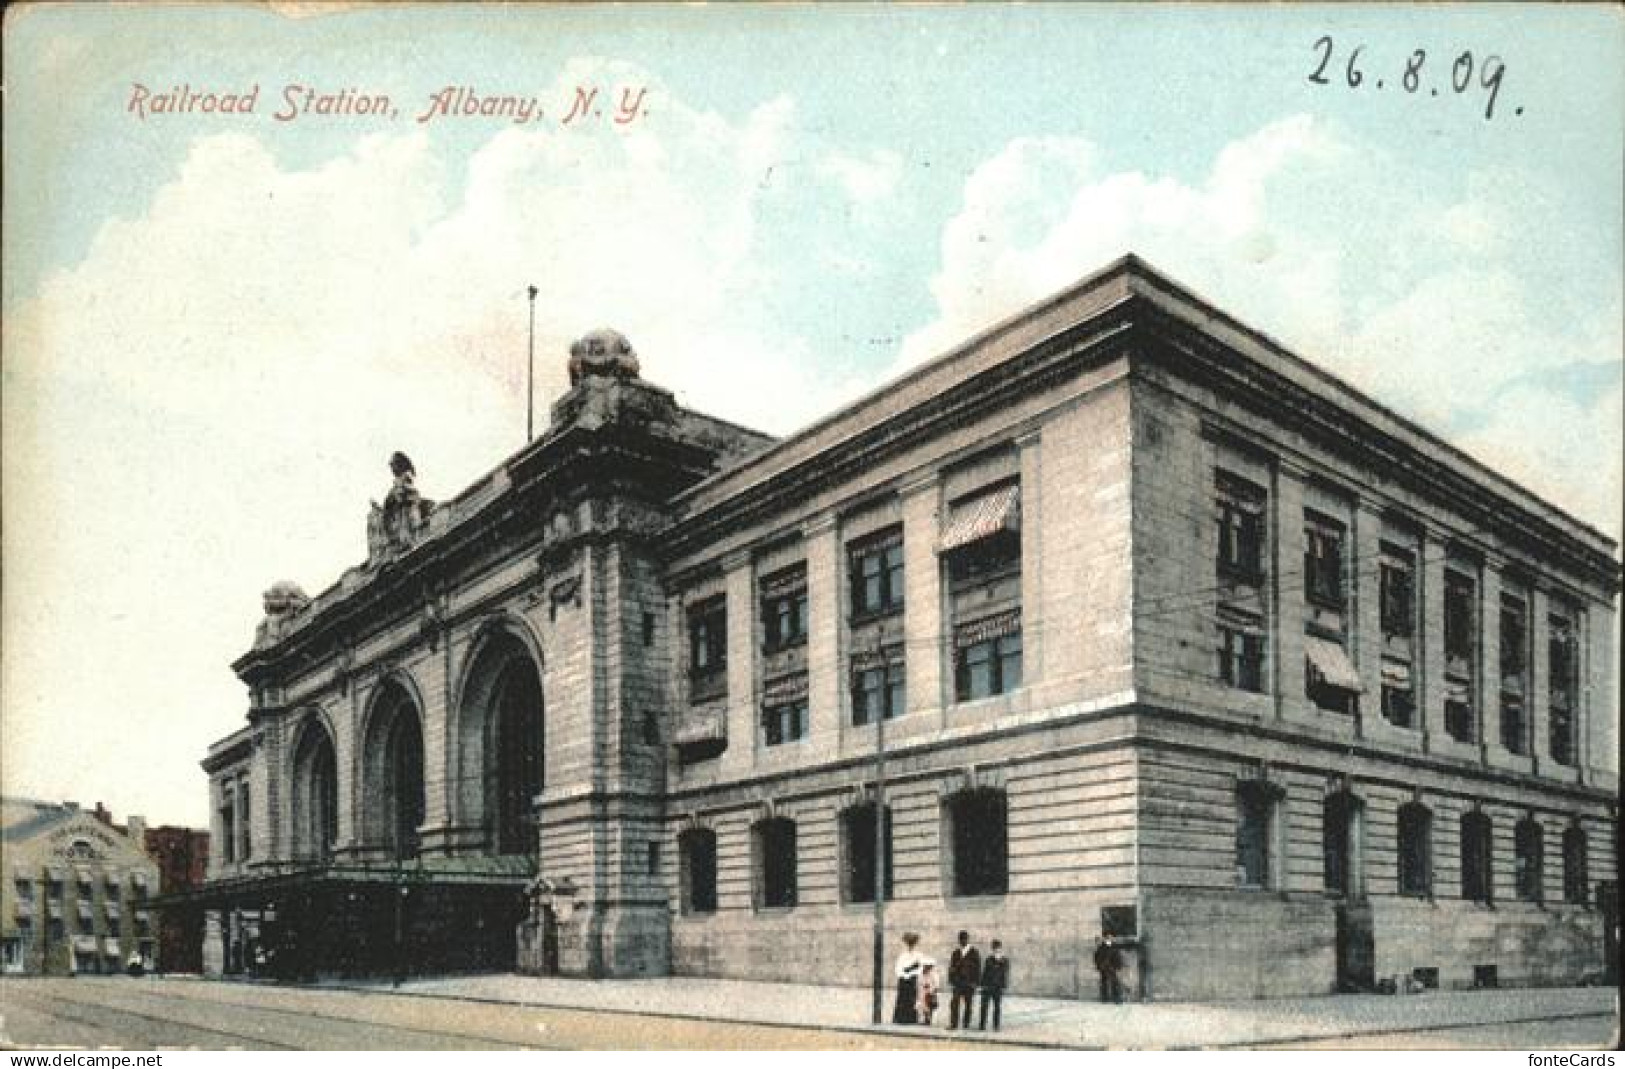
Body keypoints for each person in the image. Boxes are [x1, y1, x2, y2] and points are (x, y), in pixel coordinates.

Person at [947, 929, 981, 1029]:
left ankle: (966, 1024)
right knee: (954, 1003)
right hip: (958, 982)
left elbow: (977, 968)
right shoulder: (956, 953)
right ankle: (953, 1024)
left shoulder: (974, 952)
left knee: (968, 1004)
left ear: (967, 940)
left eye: (964, 940)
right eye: (960, 940)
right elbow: (951, 967)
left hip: (969, 982)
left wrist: (976, 982)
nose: (962, 942)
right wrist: (951, 979)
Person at [892, 932, 925, 1024]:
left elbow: (920, 968)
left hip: (912, 979)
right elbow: (898, 968)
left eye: (912, 943)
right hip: (903, 980)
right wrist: (904, 974)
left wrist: (911, 972)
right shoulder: (902, 955)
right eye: (909, 943)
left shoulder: (918, 955)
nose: (910, 945)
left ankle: (911, 1019)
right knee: (902, 999)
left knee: (912, 998)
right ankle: (901, 1019)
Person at [978, 939, 1009, 1031]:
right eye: (994, 948)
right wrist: (982, 985)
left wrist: (1003, 986)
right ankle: (982, 1025)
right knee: (984, 1006)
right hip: (987, 986)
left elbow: (1004, 973)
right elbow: (985, 972)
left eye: (997, 948)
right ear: (992, 948)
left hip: (997, 987)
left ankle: (996, 1026)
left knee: (997, 1007)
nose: (996, 949)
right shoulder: (989, 959)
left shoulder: (1004, 960)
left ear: (1000, 948)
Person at [1094, 935, 1125, 1004]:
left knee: (1115, 983)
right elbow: (1097, 957)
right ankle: (1105, 998)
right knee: (1104, 983)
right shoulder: (1101, 947)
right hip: (1104, 968)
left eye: (1110, 938)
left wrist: (1118, 966)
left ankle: (1116, 998)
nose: (1109, 939)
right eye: (1107, 938)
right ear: (1105, 939)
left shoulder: (1114, 947)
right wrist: (1099, 966)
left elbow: (1118, 957)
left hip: (1112, 968)